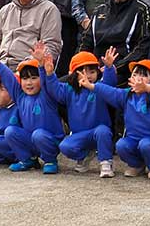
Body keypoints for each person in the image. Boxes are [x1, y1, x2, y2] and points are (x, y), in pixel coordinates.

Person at [0, 43, 65, 174]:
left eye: (34, 78)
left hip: (49, 140)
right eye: (25, 78)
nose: (29, 82)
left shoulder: (47, 95)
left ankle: (50, 160)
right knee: (10, 131)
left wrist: (41, 65)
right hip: (30, 139)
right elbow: (7, 76)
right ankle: (27, 159)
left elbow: (48, 82)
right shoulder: (20, 96)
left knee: (38, 135)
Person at [88, 59, 150, 177]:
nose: (137, 78)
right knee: (121, 145)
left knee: (146, 145)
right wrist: (92, 86)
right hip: (133, 139)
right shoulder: (127, 95)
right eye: (135, 74)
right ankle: (137, 165)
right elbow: (110, 92)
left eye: (143, 75)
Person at [79, 0, 150, 80]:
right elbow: (86, 43)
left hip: (123, 74)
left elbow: (144, 48)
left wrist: (114, 68)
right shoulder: (99, 11)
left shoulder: (142, 11)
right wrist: (80, 66)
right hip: (93, 72)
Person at [48, 49, 120, 177]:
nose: (88, 76)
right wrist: (49, 74)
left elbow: (110, 84)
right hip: (79, 134)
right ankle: (85, 155)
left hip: (99, 132)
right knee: (65, 146)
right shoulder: (69, 90)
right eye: (82, 72)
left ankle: (105, 162)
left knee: (103, 131)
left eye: (92, 72)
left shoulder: (99, 87)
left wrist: (109, 68)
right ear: (72, 74)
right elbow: (55, 90)